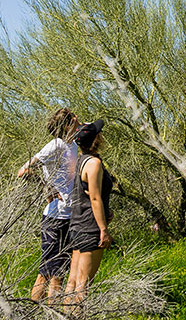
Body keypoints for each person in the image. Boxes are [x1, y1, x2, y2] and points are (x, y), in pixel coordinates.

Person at [17, 108, 80, 302]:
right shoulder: (55, 145)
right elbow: (23, 170)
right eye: (75, 119)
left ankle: (47, 312)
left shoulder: (74, 144)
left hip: (70, 215)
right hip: (55, 217)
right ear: (68, 124)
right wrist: (47, 188)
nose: (79, 120)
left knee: (58, 273)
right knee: (48, 273)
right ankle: (39, 311)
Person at [65, 118, 113, 307]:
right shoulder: (93, 164)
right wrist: (103, 229)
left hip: (77, 225)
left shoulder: (80, 161)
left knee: (73, 282)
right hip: (90, 227)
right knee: (83, 286)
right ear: (96, 139)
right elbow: (94, 198)